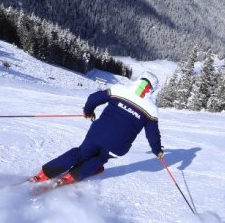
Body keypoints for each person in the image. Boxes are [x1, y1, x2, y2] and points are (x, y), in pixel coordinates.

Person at [29, 71, 164, 185]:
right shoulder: (151, 109)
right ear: (152, 88)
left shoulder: (119, 90)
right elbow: (153, 136)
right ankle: (72, 176)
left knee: (81, 153)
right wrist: (157, 151)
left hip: (97, 134)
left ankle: (45, 173)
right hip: (119, 146)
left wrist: (88, 112)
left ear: (139, 80)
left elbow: (93, 98)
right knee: (100, 158)